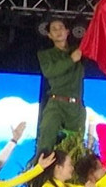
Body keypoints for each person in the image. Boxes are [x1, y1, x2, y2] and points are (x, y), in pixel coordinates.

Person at [36, 18, 86, 153]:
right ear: (49, 35)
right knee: (46, 139)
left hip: (76, 107)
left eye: (60, 27)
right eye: (54, 29)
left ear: (67, 32)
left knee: (75, 149)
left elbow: (94, 41)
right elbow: (49, 71)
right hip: (56, 102)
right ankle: (39, 171)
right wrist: (71, 60)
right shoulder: (46, 55)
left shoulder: (78, 51)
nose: (58, 31)